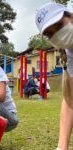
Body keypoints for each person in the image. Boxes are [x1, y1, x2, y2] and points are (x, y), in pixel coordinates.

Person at [35, 2, 73, 150]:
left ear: (70, 17)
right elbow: (70, 102)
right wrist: (61, 147)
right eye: (50, 34)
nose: (57, 34)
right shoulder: (70, 56)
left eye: (58, 25)